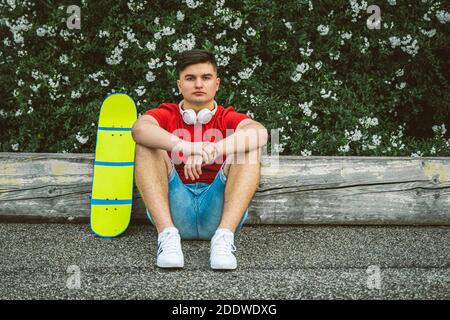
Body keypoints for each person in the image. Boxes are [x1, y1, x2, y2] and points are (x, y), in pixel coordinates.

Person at [131, 49, 268, 270]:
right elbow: (139, 129)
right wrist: (186, 146)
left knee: (250, 146)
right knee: (146, 144)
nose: (198, 84)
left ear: (217, 83)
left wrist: (213, 149)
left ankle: (224, 239)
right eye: (190, 78)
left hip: (218, 211)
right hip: (176, 210)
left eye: (206, 78)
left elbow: (260, 133)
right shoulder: (166, 113)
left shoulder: (227, 116)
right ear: (179, 85)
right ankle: (167, 238)